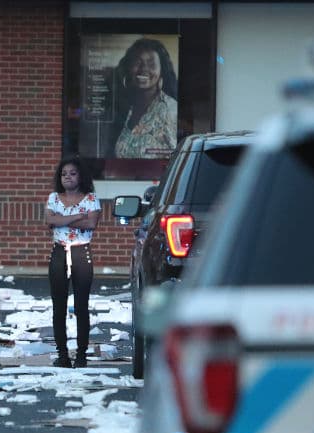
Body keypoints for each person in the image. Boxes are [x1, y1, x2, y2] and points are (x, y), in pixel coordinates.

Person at [45, 157, 101, 368]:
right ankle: (62, 355)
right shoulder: (53, 198)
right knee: (58, 306)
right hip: (59, 253)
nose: (67, 177)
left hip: (81, 254)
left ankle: (81, 355)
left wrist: (63, 218)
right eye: (64, 174)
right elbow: (50, 221)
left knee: (81, 306)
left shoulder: (91, 198)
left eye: (72, 173)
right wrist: (77, 217)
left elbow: (92, 223)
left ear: (81, 176)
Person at [109, 38, 178, 159]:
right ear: (128, 68)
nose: (144, 69)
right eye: (137, 62)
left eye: (151, 64)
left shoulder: (171, 110)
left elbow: (176, 157)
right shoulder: (123, 107)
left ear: (162, 71)